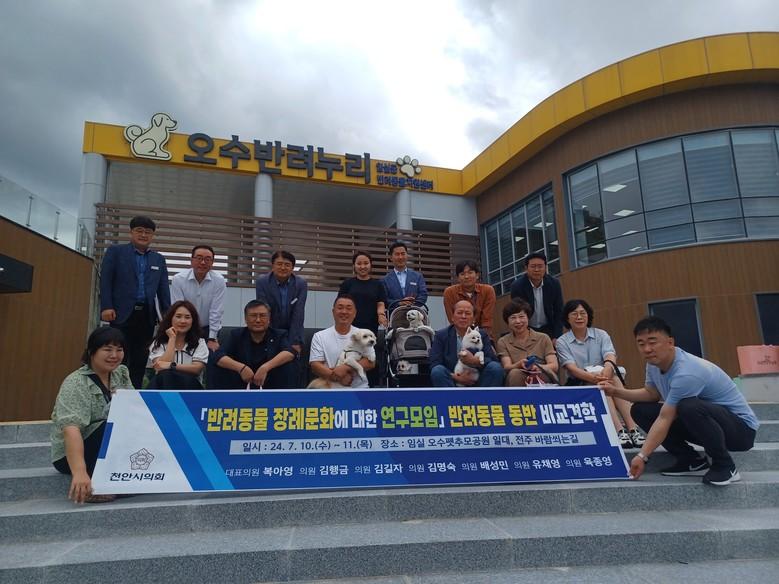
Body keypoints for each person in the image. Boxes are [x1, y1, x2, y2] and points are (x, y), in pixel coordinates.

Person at [599, 316, 760, 487]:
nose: (647, 349)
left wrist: (642, 456)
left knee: (688, 406)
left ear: (670, 342)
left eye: (652, 342)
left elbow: (665, 417)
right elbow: (651, 394)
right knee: (640, 410)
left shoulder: (687, 371)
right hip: (708, 424)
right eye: (641, 344)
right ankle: (691, 460)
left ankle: (725, 465)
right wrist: (615, 392)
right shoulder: (654, 364)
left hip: (740, 431)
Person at [50, 327, 133, 504]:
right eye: (107, 349)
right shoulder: (76, 383)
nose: (114, 355)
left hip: (112, 448)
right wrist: (80, 472)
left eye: (119, 350)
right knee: (109, 427)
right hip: (72, 453)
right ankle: (94, 486)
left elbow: (133, 409)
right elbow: (71, 429)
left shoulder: (121, 373)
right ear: (91, 352)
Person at [556, 299, 644, 449]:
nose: (579, 317)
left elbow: (610, 355)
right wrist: (595, 378)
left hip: (605, 376)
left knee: (612, 379)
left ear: (588, 316)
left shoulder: (601, 334)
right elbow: (571, 368)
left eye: (583, 313)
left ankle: (632, 429)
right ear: (567, 318)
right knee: (605, 384)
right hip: (580, 381)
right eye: (574, 314)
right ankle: (619, 430)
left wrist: (607, 369)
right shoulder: (562, 341)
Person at [99, 215, 170, 388]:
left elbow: (163, 290)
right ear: (131, 232)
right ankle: (114, 391)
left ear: (152, 235)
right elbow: (106, 280)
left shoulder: (158, 259)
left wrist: (167, 316)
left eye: (148, 232)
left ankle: (135, 392)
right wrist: (106, 306)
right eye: (139, 231)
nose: (143, 235)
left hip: (146, 316)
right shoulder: (116, 252)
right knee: (118, 355)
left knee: (140, 358)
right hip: (121, 314)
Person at [212, 300, 297, 389]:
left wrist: (265, 367)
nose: (258, 320)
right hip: (241, 383)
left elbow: (289, 353)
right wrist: (241, 368)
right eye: (253, 316)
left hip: (272, 383)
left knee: (289, 366)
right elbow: (218, 356)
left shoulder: (279, 335)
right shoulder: (236, 335)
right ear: (246, 319)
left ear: (269, 319)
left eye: (262, 315)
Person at [430, 300, 504, 387]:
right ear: (452, 317)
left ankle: (484, 396)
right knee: (437, 371)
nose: (463, 316)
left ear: (474, 319)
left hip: (478, 379)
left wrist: (475, 361)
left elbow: (492, 359)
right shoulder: (441, 335)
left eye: (468, 313)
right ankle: (451, 396)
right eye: (459, 313)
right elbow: (435, 363)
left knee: (495, 368)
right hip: (452, 379)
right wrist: (457, 377)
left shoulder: (481, 334)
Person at [309, 295, 375, 388]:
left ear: (355, 313)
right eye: (340, 308)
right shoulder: (319, 336)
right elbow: (315, 365)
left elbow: (371, 362)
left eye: (349, 308)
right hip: (330, 390)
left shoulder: (364, 334)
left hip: (360, 389)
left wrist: (346, 368)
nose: (344, 312)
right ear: (333, 312)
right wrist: (338, 377)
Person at [170, 244, 225, 351]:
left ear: (212, 262)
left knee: (212, 356)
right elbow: (178, 309)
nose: (203, 262)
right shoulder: (179, 279)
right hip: (185, 326)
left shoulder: (219, 281)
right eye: (199, 258)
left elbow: (216, 311)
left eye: (207, 259)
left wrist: (212, 338)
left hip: (209, 328)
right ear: (191, 260)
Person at [255, 250, 307, 356]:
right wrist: (272, 339)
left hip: (293, 333)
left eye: (287, 265)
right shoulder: (262, 282)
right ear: (273, 266)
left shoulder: (300, 284)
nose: (283, 268)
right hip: (270, 331)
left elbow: (298, 314)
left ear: (292, 268)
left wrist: (294, 342)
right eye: (279, 264)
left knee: (292, 360)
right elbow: (264, 312)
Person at [147, 300, 208, 390]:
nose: (183, 321)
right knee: (166, 375)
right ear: (171, 319)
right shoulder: (158, 342)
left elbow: (197, 369)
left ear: (193, 321)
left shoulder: (200, 343)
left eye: (187, 317)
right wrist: (172, 338)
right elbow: (160, 368)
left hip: (190, 388)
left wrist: (171, 366)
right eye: (178, 316)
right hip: (164, 389)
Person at [497, 300, 559, 386]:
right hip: (517, 375)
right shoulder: (503, 341)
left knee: (541, 375)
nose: (518, 321)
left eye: (521, 316)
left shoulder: (543, 338)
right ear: (507, 321)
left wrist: (538, 367)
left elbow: (554, 365)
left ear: (528, 318)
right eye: (513, 318)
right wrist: (519, 364)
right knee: (515, 374)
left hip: (542, 373)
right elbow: (507, 367)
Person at [509, 252, 564, 341]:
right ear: (526, 268)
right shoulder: (517, 286)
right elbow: (517, 313)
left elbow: (559, 311)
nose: (537, 269)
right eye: (533, 266)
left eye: (540, 266)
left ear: (545, 267)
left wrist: (557, 336)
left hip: (548, 328)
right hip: (527, 329)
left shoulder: (554, 284)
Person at [443, 260, 496, 341]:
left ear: (477, 275)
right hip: (459, 336)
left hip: (483, 335)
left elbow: (487, 320)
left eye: (470, 273)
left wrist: (481, 338)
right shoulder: (449, 292)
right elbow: (453, 319)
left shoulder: (487, 290)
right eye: (462, 274)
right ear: (458, 278)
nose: (466, 276)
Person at [338, 251, 388, 333]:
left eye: (366, 263)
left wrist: (381, 315)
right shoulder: (347, 284)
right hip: (350, 326)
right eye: (359, 264)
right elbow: (340, 304)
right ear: (354, 266)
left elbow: (380, 303)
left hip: (371, 327)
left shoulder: (378, 284)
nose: (362, 266)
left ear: (370, 265)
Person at [382, 241, 428, 309]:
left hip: (414, 313)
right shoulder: (385, 280)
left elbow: (423, 295)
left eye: (403, 254)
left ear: (407, 255)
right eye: (397, 254)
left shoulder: (418, 277)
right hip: (394, 314)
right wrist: (399, 303)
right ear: (391, 257)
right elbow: (384, 300)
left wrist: (411, 304)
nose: (400, 257)